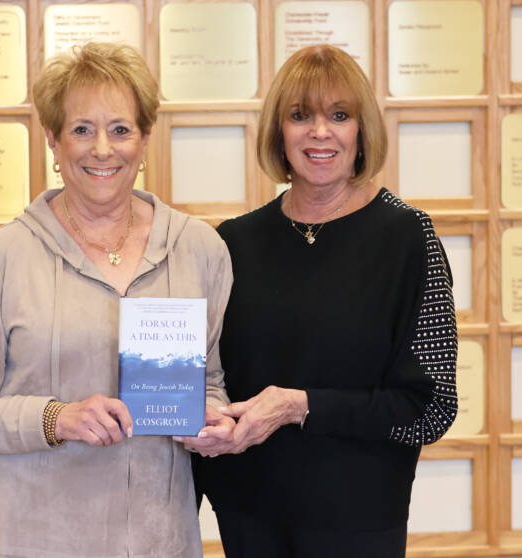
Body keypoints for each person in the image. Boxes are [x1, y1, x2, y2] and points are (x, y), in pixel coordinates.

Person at [0, 42, 234, 558]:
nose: (102, 149)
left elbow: (214, 381)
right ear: (52, 139)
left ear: (144, 138)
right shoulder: (2, 256)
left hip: (157, 539)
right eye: (82, 130)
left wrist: (213, 419)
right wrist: (56, 419)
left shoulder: (199, 249)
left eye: (120, 129)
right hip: (33, 536)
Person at [191, 44, 459, 557]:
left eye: (339, 115)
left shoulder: (407, 237)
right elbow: (214, 374)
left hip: (357, 519)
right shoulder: (234, 242)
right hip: (249, 513)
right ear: (279, 132)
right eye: (300, 116)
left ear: (361, 131)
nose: (319, 132)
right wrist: (206, 415)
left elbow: (430, 409)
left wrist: (300, 406)